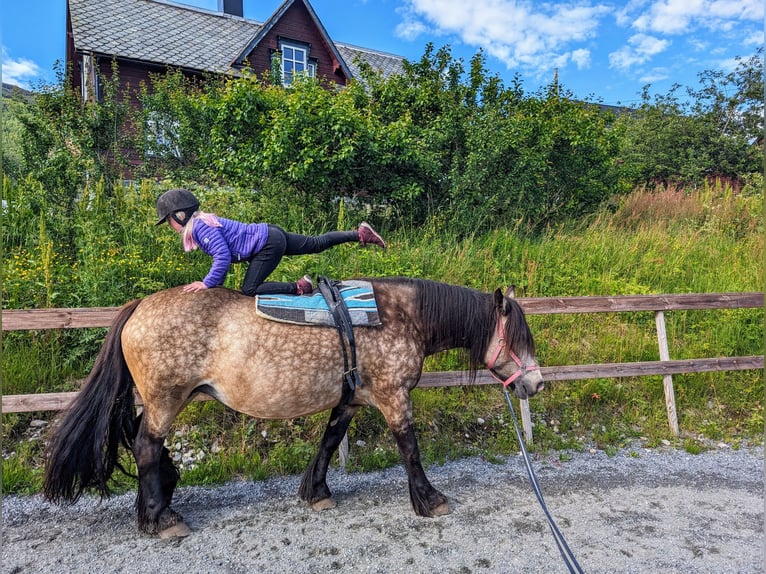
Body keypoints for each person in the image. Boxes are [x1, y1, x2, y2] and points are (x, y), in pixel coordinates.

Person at [156, 188, 386, 296]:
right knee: (315, 243)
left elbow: (223, 255)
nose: (170, 226)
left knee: (249, 289)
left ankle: (297, 287)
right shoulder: (204, 221)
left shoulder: (200, 227)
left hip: (267, 243)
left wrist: (207, 283)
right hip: (270, 234)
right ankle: (359, 233)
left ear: (180, 215)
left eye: (168, 220)